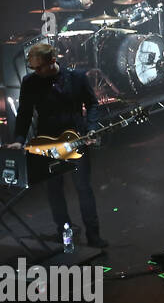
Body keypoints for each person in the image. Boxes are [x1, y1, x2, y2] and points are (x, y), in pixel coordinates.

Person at [5, 41, 105, 247]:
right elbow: (24, 113)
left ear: (53, 60)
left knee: (83, 188)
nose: (37, 71)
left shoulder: (76, 78)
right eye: (34, 67)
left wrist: (91, 127)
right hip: (47, 141)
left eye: (40, 67)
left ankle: (93, 235)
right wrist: (18, 140)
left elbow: (92, 104)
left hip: (76, 138)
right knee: (54, 191)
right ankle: (64, 233)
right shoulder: (30, 82)